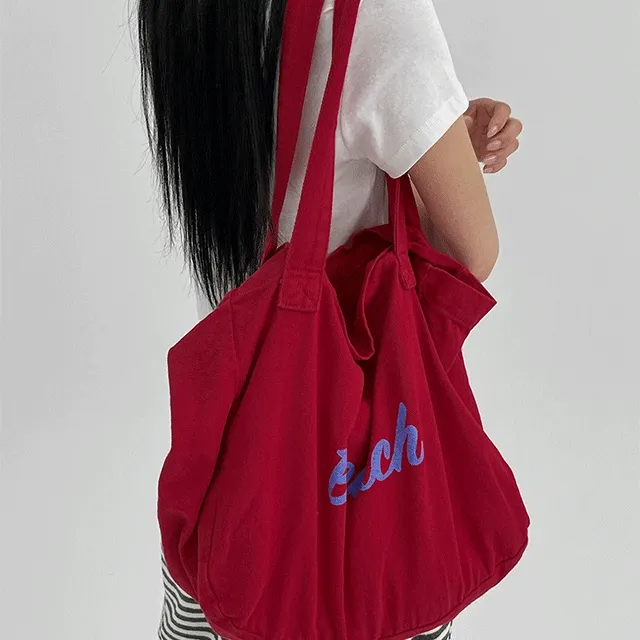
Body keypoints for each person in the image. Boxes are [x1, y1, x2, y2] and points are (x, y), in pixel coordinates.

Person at [138, 0, 523, 638]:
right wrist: (435, 144)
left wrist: (427, 129)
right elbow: (467, 254)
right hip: (360, 508)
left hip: (233, 483)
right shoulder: (378, 15)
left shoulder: (188, 14)